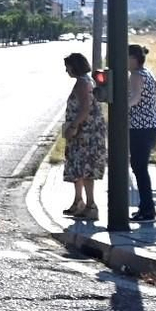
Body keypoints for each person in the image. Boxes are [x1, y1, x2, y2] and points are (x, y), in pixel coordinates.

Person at [61, 52, 105, 219]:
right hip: (86, 132)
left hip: (85, 134)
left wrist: (73, 126)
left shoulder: (82, 83)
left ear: (75, 66)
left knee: (85, 168)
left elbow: (85, 109)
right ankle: (79, 201)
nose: (67, 71)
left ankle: (90, 205)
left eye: (68, 67)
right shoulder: (87, 80)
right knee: (79, 168)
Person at [126, 43, 156, 222]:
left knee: (139, 168)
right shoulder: (148, 73)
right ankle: (145, 207)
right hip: (152, 125)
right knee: (140, 167)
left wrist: (119, 106)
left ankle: (148, 210)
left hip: (140, 127)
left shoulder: (135, 75)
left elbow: (134, 98)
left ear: (133, 59)